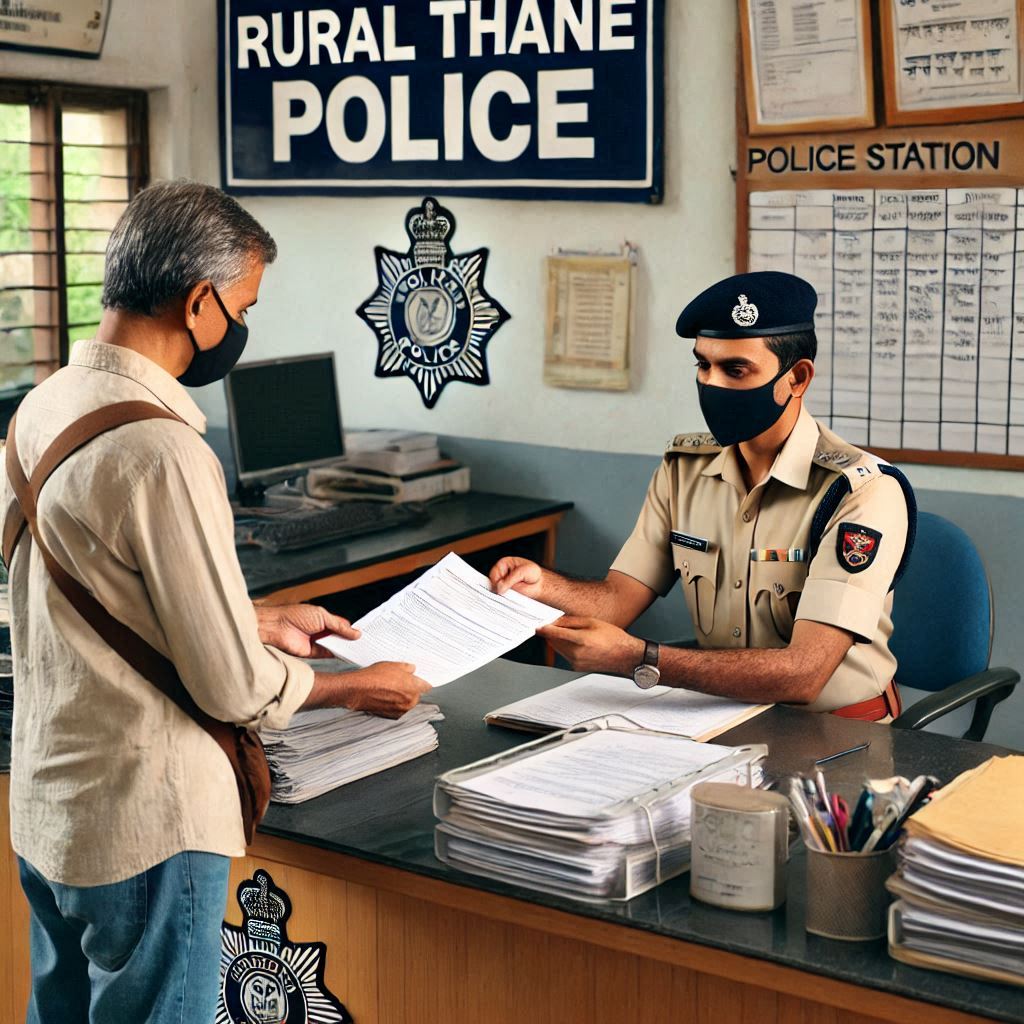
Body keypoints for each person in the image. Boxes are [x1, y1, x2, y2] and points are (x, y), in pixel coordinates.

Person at [0, 180, 429, 1024]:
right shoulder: (161, 448)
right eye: (243, 305)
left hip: (49, 815)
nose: (240, 326)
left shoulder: (39, 409)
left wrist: (254, 621)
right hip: (147, 823)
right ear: (199, 303)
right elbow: (234, 690)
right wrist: (351, 685)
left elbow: (62, 595)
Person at [491, 271, 914, 720]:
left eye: (735, 370)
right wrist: (543, 585)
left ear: (796, 378)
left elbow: (803, 674)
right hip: (717, 718)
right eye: (703, 364)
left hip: (839, 733)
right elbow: (617, 600)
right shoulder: (684, 469)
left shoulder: (862, 492)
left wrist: (640, 658)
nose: (712, 384)